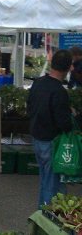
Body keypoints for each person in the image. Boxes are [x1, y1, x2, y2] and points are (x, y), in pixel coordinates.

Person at [27, 49, 74, 208]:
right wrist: (71, 114)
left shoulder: (38, 82)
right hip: (51, 141)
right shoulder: (59, 92)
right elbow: (64, 123)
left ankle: (43, 212)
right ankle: (49, 217)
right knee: (53, 183)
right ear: (69, 68)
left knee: (45, 179)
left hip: (37, 137)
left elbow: (30, 107)